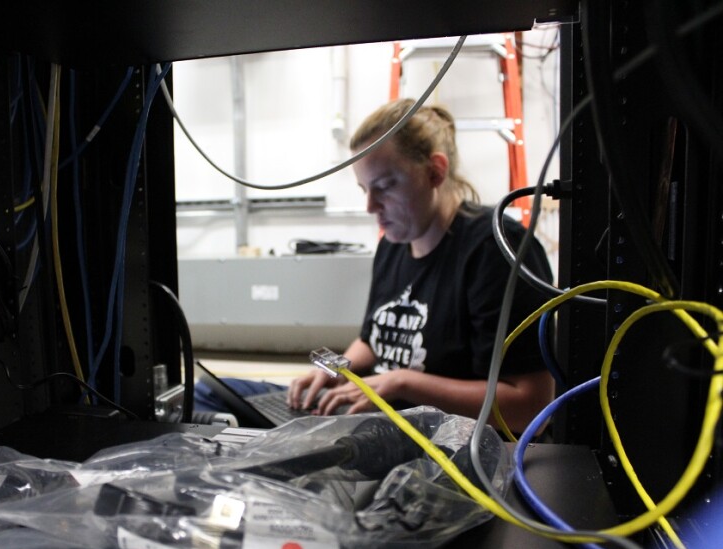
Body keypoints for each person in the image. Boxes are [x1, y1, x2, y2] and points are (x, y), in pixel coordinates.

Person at [193, 99, 554, 434]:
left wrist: (401, 383)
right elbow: (371, 341)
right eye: (364, 188)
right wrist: (334, 369)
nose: (370, 207)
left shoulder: (495, 249)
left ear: (434, 172)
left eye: (384, 187)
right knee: (206, 395)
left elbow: (531, 405)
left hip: (432, 434)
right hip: (370, 406)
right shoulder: (393, 245)